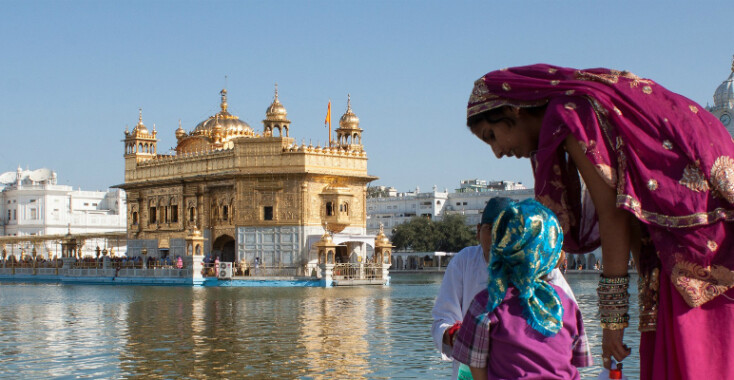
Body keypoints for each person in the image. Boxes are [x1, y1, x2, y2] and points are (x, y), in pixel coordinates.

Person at [466, 64, 734, 379]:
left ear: (515, 110)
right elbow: (634, 205)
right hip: (697, 242)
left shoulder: (572, 113)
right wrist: (647, 290)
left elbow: (614, 215)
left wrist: (612, 322)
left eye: (492, 136)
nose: (497, 152)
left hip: (695, 245)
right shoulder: (581, 105)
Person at [431, 197, 579, 380]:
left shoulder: (541, 267)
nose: (498, 238)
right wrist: (456, 335)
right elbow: (441, 321)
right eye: (491, 229)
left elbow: (571, 328)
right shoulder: (464, 262)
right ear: (478, 232)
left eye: (506, 231)